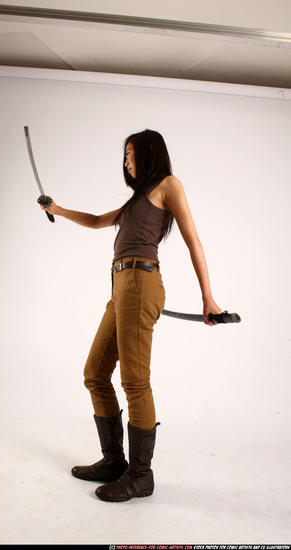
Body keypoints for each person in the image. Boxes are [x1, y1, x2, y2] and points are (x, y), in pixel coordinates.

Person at [40, 129, 221, 503]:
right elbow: (94, 221)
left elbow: (193, 240)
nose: (126, 162)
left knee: (135, 382)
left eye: (130, 154)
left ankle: (140, 475)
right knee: (95, 373)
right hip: (120, 286)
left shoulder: (168, 185)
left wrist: (208, 297)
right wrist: (56, 210)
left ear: (150, 152)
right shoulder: (136, 200)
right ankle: (114, 462)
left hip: (141, 282)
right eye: (123, 156)